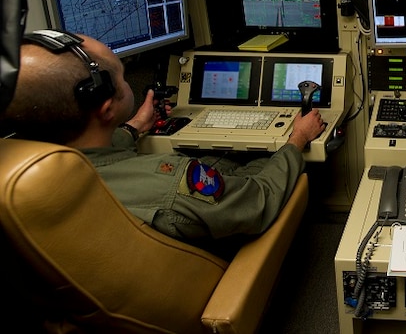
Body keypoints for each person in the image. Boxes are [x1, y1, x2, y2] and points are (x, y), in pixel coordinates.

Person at [0, 31, 325, 248]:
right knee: (272, 167)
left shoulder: (20, 178)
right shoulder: (171, 183)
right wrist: (296, 140)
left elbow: (98, 157)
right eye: (122, 77)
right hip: (206, 269)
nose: (126, 82)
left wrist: (135, 127)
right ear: (106, 107)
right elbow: (258, 201)